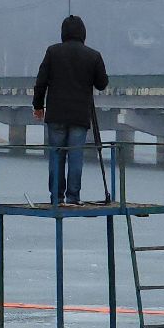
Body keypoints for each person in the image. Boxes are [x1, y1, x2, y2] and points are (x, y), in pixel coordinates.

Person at [31, 14, 110, 207]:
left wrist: (38, 106)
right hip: (79, 116)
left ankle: (56, 198)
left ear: (63, 33)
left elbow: (40, 82)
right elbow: (102, 84)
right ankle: (73, 197)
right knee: (76, 156)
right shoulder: (93, 55)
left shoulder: (52, 52)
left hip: (56, 114)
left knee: (56, 155)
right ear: (83, 33)